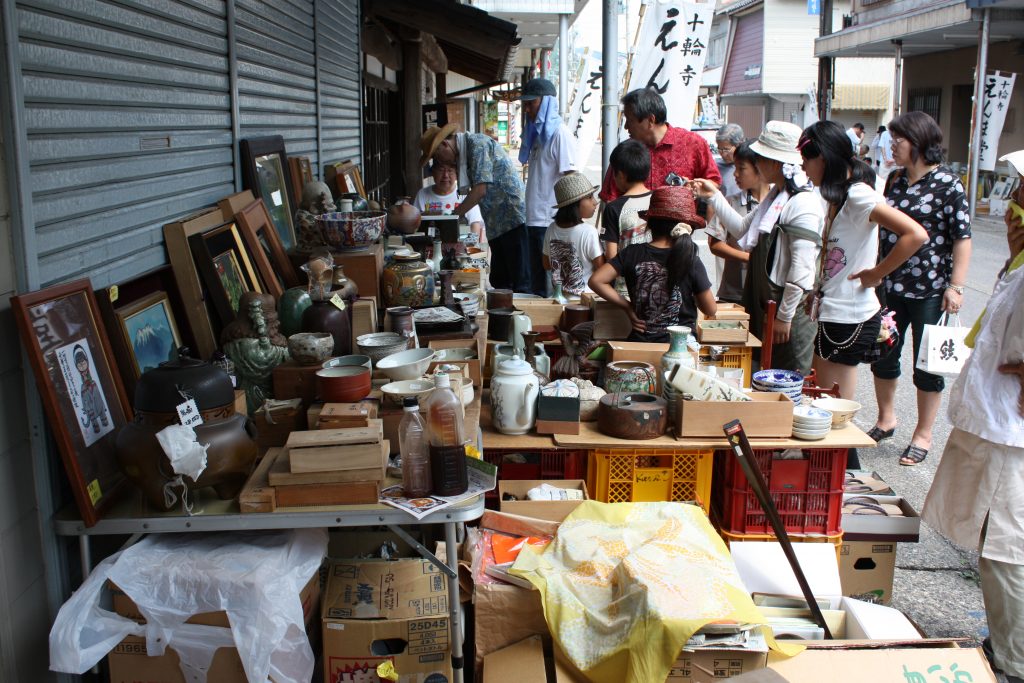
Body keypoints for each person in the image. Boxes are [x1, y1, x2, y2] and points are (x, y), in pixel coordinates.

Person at [921, 149, 1024, 683]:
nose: (1010, 210)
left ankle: (1014, 657)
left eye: (1020, 199)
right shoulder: (1018, 264)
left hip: (1010, 431)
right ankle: (1005, 642)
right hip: (994, 421)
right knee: (994, 540)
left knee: (1007, 547)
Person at [796, 120, 927, 413]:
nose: (803, 167)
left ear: (824, 158)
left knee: (833, 414)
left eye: (806, 159)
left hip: (850, 315)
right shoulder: (837, 195)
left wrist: (876, 273)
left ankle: (850, 461)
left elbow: (916, 234)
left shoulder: (858, 195)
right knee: (824, 407)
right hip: (835, 311)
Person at [867, 112, 972, 466]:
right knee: (883, 355)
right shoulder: (894, 180)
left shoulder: (948, 184)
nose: (893, 145)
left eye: (899, 140)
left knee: (927, 366)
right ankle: (886, 419)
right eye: (892, 139)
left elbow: (962, 239)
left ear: (920, 143)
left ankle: (923, 434)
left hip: (929, 289)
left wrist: (956, 286)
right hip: (890, 285)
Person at [691, 121, 824, 374]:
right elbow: (741, 228)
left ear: (774, 162)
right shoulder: (777, 197)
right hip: (770, 304)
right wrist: (713, 197)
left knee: (788, 376)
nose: (758, 163)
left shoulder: (802, 203)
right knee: (763, 373)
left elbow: (802, 269)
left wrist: (784, 317)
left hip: (789, 310)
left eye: (761, 158)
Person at [589, 185, 716, 342]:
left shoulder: (631, 253)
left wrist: (627, 307)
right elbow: (710, 309)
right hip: (680, 347)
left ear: (649, 224)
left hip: (640, 343)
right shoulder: (691, 260)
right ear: (685, 227)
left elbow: (596, 281)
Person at [420, 124, 529, 292]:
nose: (440, 161)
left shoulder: (477, 145)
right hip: (496, 222)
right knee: (499, 279)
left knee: (519, 280)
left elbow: (479, 190)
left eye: (437, 156)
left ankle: (520, 317)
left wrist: (454, 215)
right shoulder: (466, 152)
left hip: (512, 218)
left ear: (445, 144)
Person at [598, 88, 721, 203]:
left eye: (629, 120)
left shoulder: (693, 143)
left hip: (681, 225)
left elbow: (714, 182)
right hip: (633, 225)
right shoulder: (626, 151)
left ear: (650, 120)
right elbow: (610, 197)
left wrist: (693, 188)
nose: (626, 127)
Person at [520, 78, 577, 296]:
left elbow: (570, 179)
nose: (527, 109)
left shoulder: (560, 134)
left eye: (531, 103)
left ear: (546, 103)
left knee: (552, 285)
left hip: (550, 221)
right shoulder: (536, 135)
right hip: (534, 220)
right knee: (537, 284)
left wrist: (567, 223)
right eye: (524, 104)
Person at [706, 139, 769, 304]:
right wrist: (749, 258)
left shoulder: (777, 205)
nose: (735, 174)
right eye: (735, 168)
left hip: (765, 294)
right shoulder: (729, 203)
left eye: (741, 168)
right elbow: (715, 244)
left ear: (761, 168)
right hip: (733, 293)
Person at [544, 172, 605, 296]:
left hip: (558, 298)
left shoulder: (551, 229)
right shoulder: (589, 232)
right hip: (586, 299)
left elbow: (546, 264)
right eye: (589, 197)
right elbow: (602, 269)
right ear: (574, 204)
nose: (595, 202)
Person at [599, 139, 653, 260]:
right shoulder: (659, 199)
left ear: (621, 175)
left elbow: (611, 256)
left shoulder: (613, 208)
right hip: (657, 276)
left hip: (626, 277)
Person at [413, 159, 485, 242]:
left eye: (450, 170)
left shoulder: (465, 194)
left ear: (456, 174)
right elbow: (414, 223)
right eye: (441, 170)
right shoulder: (422, 194)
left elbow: (475, 223)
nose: (445, 175)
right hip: (430, 244)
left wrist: (472, 246)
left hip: (460, 245)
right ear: (433, 173)